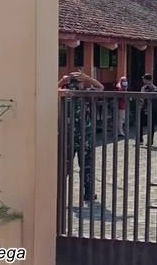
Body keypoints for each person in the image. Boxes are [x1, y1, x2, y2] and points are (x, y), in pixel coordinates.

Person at [58, 71, 105, 209]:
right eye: (81, 80)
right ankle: (88, 194)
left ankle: (59, 193)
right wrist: (89, 79)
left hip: (69, 136)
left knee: (65, 167)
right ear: (80, 82)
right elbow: (101, 87)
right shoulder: (85, 92)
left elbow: (51, 91)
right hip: (84, 136)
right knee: (87, 167)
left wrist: (62, 81)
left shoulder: (64, 92)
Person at [139, 73, 157, 145]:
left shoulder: (154, 89)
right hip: (147, 108)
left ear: (146, 80)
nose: (143, 80)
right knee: (142, 124)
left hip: (150, 109)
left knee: (149, 125)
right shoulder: (149, 88)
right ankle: (142, 140)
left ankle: (148, 140)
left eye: (144, 79)